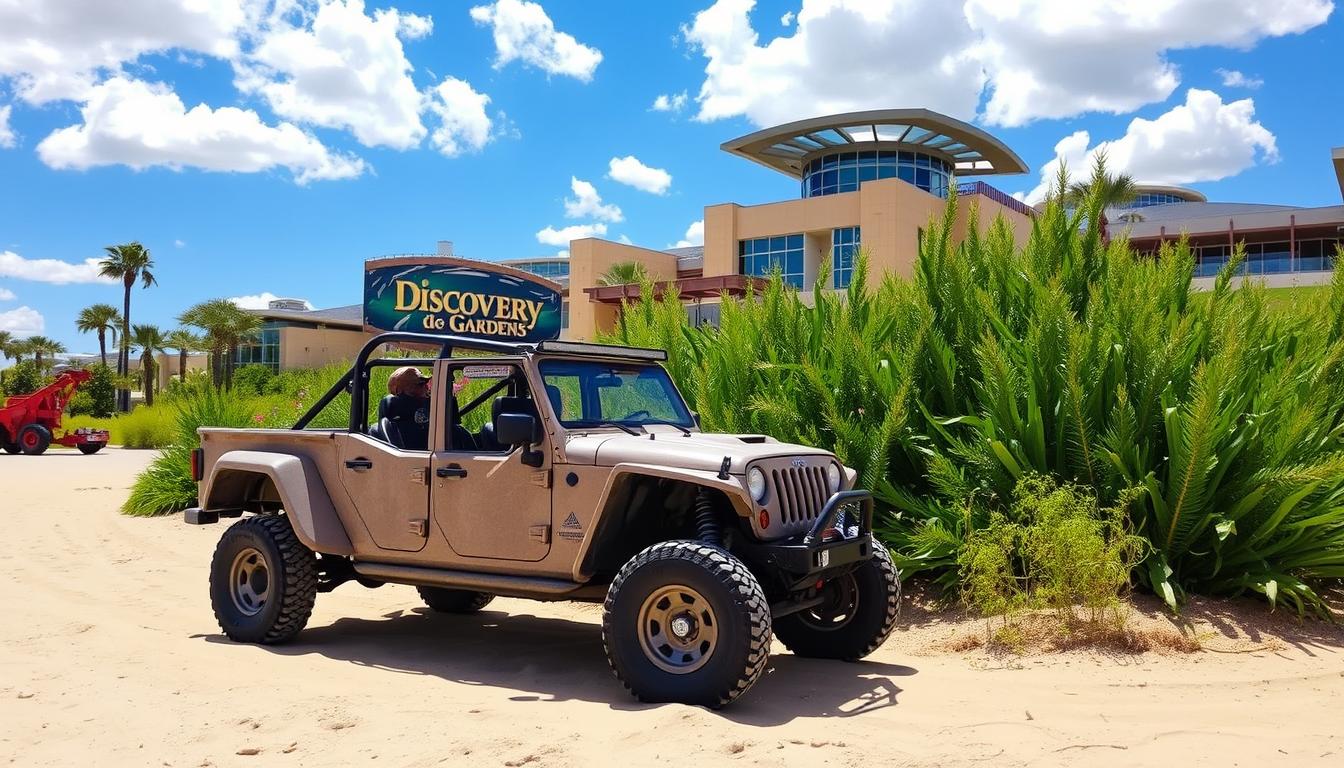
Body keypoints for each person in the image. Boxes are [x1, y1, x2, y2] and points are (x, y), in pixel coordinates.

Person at [384, 366, 432, 450]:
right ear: (404, 392)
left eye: (426, 383)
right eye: (421, 384)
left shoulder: (384, 429)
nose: (427, 387)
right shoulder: (429, 428)